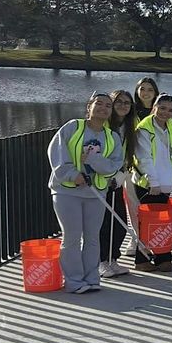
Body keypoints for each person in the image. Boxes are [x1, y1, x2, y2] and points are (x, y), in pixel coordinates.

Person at [47, 93, 124, 293]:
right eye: (99, 103)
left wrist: (93, 160)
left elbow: (114, 166)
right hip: (67, 192)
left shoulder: (112, 137)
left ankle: (91, 278)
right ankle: (73, 281)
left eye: (108, 105)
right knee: (72, 237)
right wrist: (73, 175)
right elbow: (57, 154)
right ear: (89, 106)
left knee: (92, 237)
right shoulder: (73, 127)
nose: (103, 108)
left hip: (95, 193)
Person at [133, 93, 172, 273]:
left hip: (167, 182)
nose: (166, 113)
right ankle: (142, 259)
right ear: (154, 107)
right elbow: (143, 157)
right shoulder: (144, 128)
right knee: (146, 224)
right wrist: (153, 182)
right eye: (162, 108)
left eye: (170, 110)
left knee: (163, 224)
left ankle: (163, 257)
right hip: (147, 184)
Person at [98, 89, 137, 278]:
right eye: (119, 102)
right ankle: (101, 261)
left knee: (120, 222)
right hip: (100, 181)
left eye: (127, 103)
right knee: (104, 223)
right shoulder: (103, 126)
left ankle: (113, 259)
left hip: (118, 179)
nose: (123, 105)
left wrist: (122, 174)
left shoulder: (129, 127)